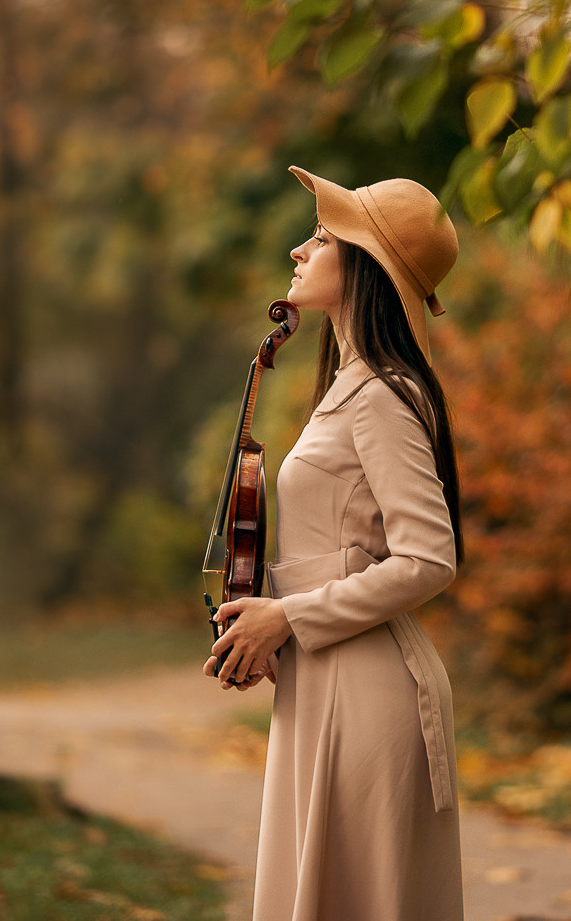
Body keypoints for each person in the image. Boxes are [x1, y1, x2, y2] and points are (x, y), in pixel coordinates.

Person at [205, 165, 465, 921]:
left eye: (320, 237)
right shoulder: (352, 386)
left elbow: (427, 558)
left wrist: (286, 618)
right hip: (325, 683)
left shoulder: (383, 393)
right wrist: (270, 631)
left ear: (364, 264)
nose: (297, 249)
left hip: (367, 696)